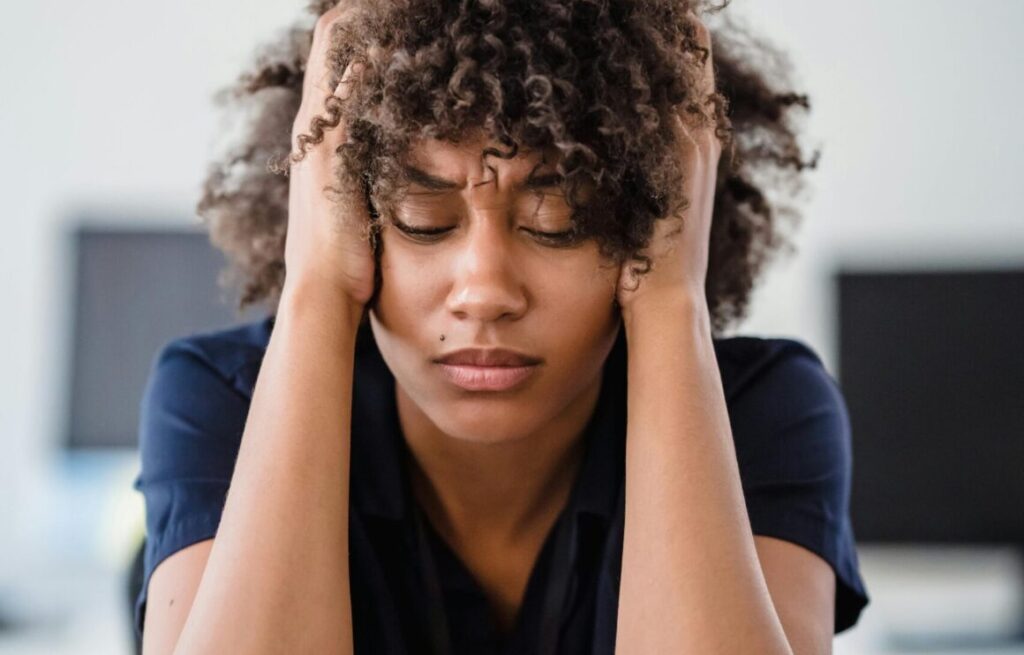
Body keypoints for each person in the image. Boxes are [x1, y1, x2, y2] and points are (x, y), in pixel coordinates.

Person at [131, 0, 869, 653]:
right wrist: (317, 289)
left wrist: (673, 298)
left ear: (647, 226)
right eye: (423, 220)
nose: (483, 292)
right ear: (345, 219)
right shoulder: (220, 399)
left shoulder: (763, 414)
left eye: (558, 221)